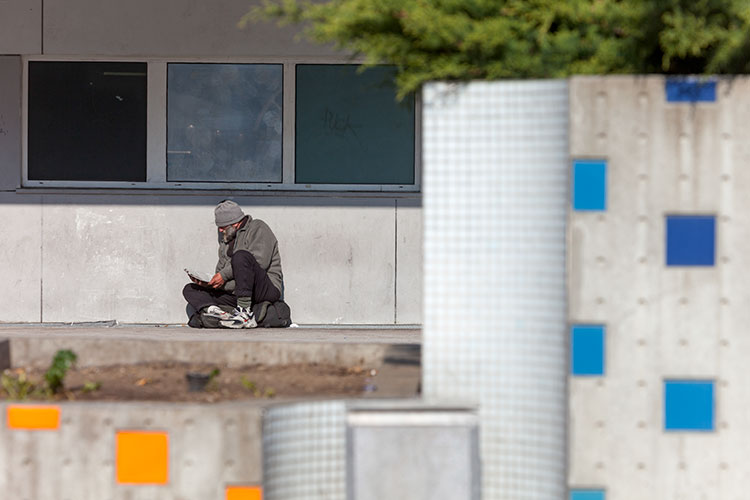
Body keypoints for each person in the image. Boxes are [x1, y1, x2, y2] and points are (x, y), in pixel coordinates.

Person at [183, 200, 284, 328]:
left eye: (222, 226)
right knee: (190, 289)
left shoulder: (258, 227)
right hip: (237, 292)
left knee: (241, 256)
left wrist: (223, 276)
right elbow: (221, 270)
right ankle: (218, 313)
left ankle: (245, 313)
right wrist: (210, 284)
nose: (220, 230)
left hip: (265, 288)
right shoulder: (226, 241)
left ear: (235, 223)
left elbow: (260, 262)